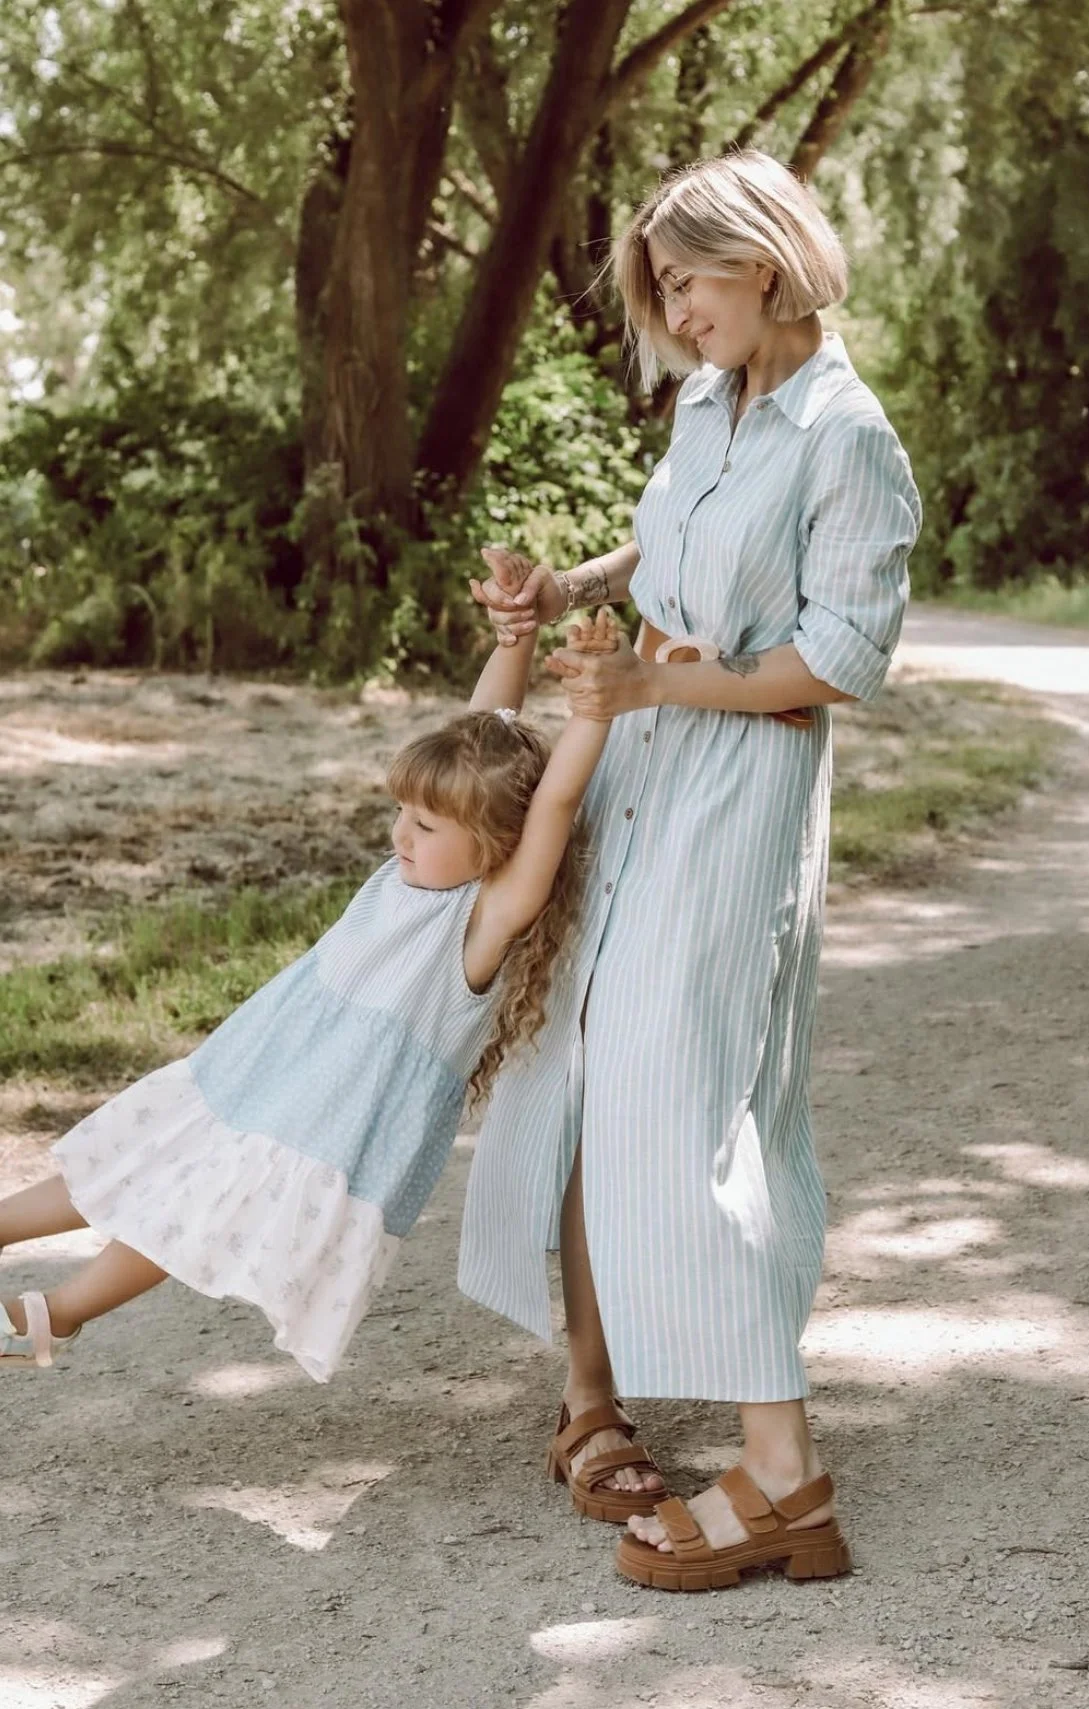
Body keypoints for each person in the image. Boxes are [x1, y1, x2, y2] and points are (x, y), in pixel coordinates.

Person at [465, 151, 922, 1591]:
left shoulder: (846, 437)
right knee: (580, 1068)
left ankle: (783, 1476)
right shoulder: (705, 405)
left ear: (765, 265)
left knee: (687, 1088)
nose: (667, 307)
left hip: (736, 785)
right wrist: (579, 594)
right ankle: (590, 1398)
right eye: (658, 284)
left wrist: (666, 694)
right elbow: (670, 550)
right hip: (640, 761)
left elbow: (841, 657)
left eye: (684, 278)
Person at [0, 574, 621, 1384]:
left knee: (200, 1208)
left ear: (497, 846)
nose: (401, 832)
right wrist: (516, 639)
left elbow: (556, 800)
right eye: (403, 811)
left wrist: (595, 711)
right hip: (265, 1068)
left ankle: (59, 1311)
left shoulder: (485, 920)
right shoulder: (418, 873)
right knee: (144, 1156)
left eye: (426, 825)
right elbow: (483, 730)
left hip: (326, 1122)